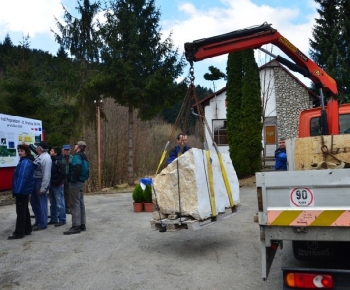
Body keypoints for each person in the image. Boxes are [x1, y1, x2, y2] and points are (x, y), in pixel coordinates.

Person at [8, 144, 35, 240]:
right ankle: (27, 229)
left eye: (22, 151)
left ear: (26, 152)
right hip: (24, 190)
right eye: (18, 151)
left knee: (20, 211)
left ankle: (19, 233)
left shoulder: (25, 163)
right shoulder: (25, 161)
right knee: (24, 210)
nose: (19, 153)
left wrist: (17, 191)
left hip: (22, 191)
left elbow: (22, 178)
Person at [64, 141, 90, 235]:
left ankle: (76, 226)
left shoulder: (77, 157)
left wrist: (72, 179)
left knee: (74, 204)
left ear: (78, 147)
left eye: (75, 145)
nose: (74, 146)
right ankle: (82, 224)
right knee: (80, 203)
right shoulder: (84, 156)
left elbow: (77, 167)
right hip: (81, 182)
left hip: (75, 183)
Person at [30, 141, 52, 231]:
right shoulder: (39, 156)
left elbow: (46, 174)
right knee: (33, 202)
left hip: (41, 181)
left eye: (37, 146)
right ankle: (38, 221)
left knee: (42, 203)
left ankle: (43, 223)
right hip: (35, 180)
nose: (36, 147)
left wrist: (43, 187)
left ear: (40, 148)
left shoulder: (46, 158)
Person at [48, 146, 66, 227]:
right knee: (53, 203)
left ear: (55, 153)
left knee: (60, 203)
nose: (50, 151)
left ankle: (62, 219)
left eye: (51, 150)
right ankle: (53, 218)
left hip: (57, 185)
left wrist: (57, 182)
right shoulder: (51, 160)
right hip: (52, 184)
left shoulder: (59, 162)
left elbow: (63, 174)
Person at [62, 144, 73, 214]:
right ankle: (62, 207)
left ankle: (68, 207)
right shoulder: (60, 157)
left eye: (68, 150)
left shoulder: (73, 157)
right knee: (61, 192)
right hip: (62, 176)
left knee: (68, 193)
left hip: (69, 177)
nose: (67, 151)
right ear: (62, 150)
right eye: (65, 150)